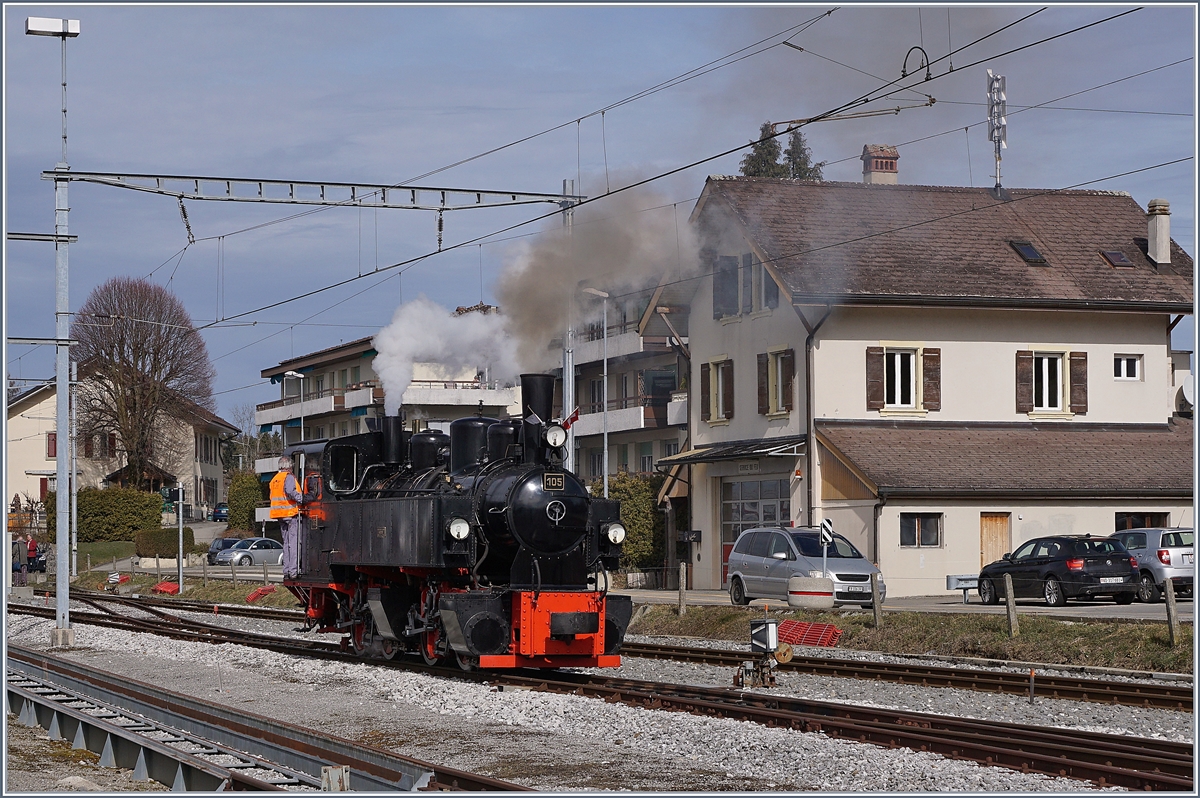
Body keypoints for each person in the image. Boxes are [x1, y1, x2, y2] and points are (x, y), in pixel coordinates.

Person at [270, 455, 305, 578]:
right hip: (290, 514)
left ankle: (286, 571)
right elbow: (290, 491)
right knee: (294, 543)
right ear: (289, 466)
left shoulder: (275, 479)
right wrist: (302, 499)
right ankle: (293, 571)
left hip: (279, 515)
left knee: (286, 543)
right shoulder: (288, 477)